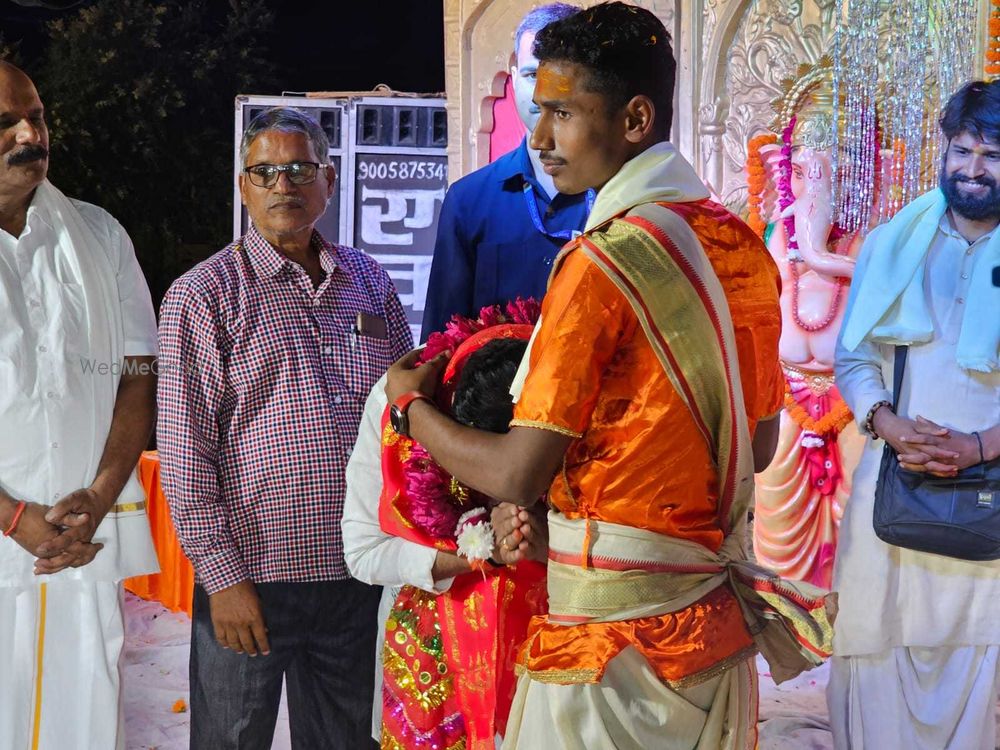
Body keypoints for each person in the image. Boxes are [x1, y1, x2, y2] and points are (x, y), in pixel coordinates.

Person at [385, 4, 832, 748]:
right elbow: (754, 450)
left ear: (633, 118)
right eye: (539, 110)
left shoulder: (599, 264)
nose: (538, 138)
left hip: (607, 648)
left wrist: (411, 412)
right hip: (710, 637)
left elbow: (519, 472)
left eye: (561, 112)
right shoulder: (741, 248)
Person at [157, 107, 412, 750]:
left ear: (328, 181)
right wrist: (223, 581)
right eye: (264, 172)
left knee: (345, 739)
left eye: (299, 169)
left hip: (353, 576)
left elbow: (407, 412)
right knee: (232, 739)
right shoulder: (202, 295)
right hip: (253, 581)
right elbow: (187, 454)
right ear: (243, 186)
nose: (282, 185)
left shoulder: (369, 281)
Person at [829, 80, 1000, 750]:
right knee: (875, 647)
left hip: (987, 492)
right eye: (963, 149)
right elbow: (853, 358)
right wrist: (889, 425)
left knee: (975, 653)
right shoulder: (893, 243)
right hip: (893, 488)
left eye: (992, 154)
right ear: (945, 148)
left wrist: (980, 445)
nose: (973, 168)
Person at [0, 61, 159, 749]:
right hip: (13, 534)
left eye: (36, 116)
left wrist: (98, 493)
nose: (30, 133)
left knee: (83, 717)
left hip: (77, 542)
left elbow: (136, 374)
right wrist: (12, 517)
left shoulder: (98, 236)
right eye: (6, 122)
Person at [344, 306, 548, 749]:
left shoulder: (577, 392)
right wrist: (479, 552)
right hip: (432, 658)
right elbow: (362, 552)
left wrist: (546, 538)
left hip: (549, 656)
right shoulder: (396, 404)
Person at [420, 2, 586, 339]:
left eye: (561, 76)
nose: (543, 93)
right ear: (512, 78)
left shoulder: (621, 195)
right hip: (494, 392)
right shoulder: (469, 201)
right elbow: (440, 341)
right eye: (531, 74)